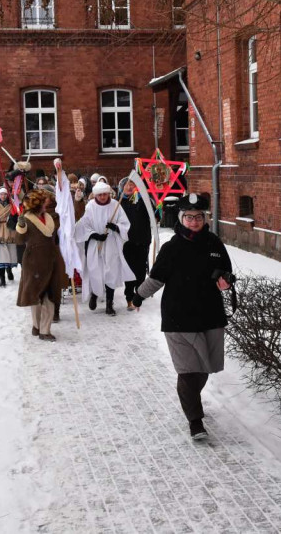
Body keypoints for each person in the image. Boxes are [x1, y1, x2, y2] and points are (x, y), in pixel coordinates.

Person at [132, 193, 233, 440]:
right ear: (181, 218)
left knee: (203, 370)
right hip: (178, 318)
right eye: (189, 217)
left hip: (209, 314)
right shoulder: (172, 248)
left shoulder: (214, 244)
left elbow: (228, 273)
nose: (194, 221)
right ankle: (195, 421)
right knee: (188, 371)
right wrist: (138, 296)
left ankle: (192, 404)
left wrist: (225, 283)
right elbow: (156, 279)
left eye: (198, 217)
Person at [75, 179, 135, 315]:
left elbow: (125, 223)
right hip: (96, 245)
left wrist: (116, 227)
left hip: (111, 244)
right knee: (95, 271)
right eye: (100, 195)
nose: (102, 197)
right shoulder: (90, 206)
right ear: (95, 195)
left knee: (110, 272)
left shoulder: (115, 205)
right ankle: (95, 295)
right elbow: (84, 224)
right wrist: (94, 234)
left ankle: (109, 303)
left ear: (109, 194)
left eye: (105, 194)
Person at [15, 188, 67, 341]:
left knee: (49, 297)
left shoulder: (50, 218)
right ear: (37, 206)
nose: (46, 204)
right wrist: (21, 226)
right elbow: (19, 240)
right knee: (35, 297)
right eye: (43, 203)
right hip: (33, 263)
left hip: (51, 260)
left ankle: (44, 330)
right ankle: (36, 326)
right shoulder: (27, 219)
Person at [118, 177, 152, 311]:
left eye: (132, 184)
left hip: (142, 239)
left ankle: (140, 292)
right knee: (129, 269)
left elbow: (154, 216)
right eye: (126, 185)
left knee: (140, 268)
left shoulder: (143, 200)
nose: (129, 187)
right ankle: (129, 296)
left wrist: (154, 207)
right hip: (127, 241)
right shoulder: (120, 203)